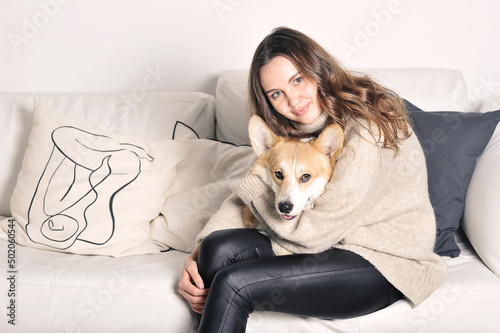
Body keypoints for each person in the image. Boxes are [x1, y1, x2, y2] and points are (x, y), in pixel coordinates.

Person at [178, 27, 447, 333]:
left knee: (234, 283)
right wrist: (195, 257)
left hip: (382, 261)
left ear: (318, 70)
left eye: (297, 80)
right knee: (216, 249)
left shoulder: (365, 131)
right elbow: (247, 193)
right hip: (329, 244)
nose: (293, 100)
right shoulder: (292, 133)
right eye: (276, 93)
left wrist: (257, 185)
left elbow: (314, 234)